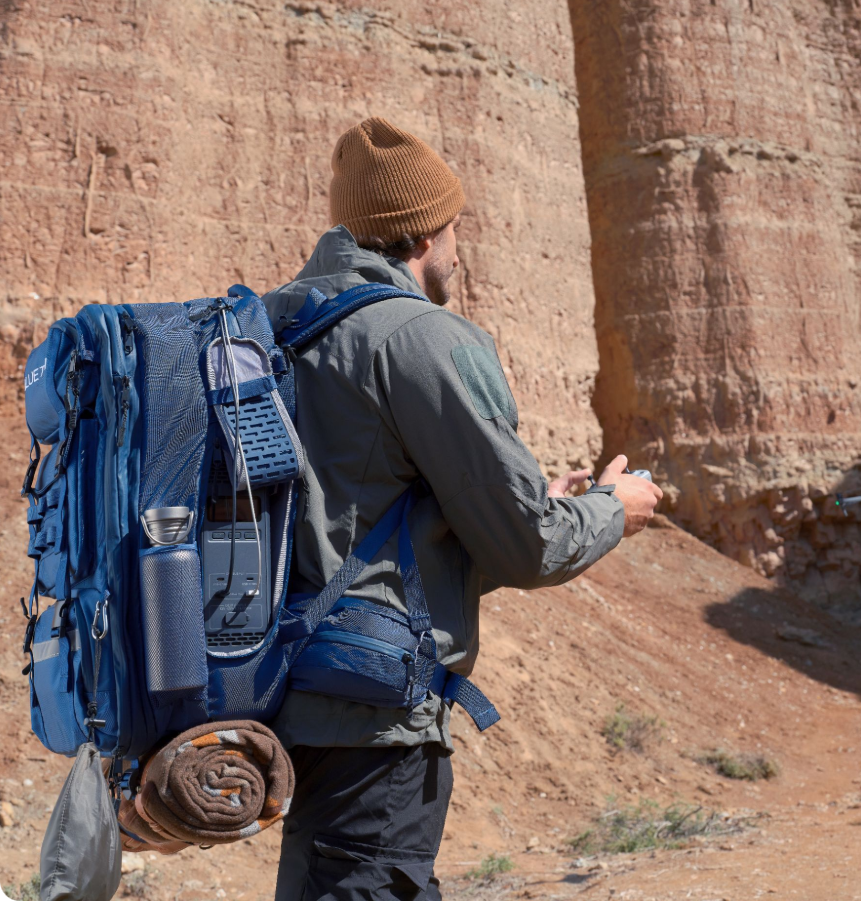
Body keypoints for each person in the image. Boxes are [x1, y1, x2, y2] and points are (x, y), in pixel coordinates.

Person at [264, 116, 662, 901]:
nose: (458, 247)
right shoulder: (421, 338)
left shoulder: (281, 325)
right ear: (423, 234)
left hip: (289, 698)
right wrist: (614, 508)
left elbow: (348, 525)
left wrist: (514, 507)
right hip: (376, 717)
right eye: (454, 227)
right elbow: (531, 547)